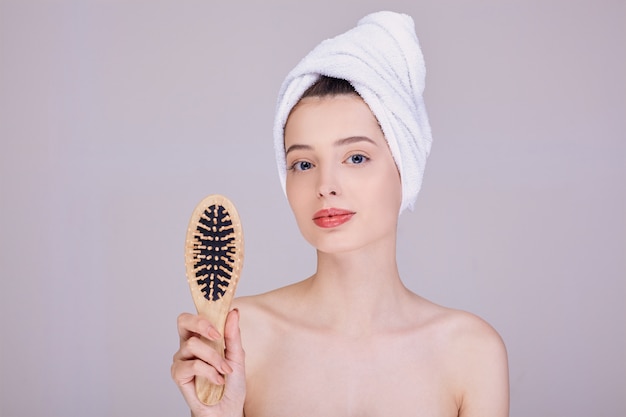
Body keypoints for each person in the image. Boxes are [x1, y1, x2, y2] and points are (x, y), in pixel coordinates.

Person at [171, 11, 509, 417]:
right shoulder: (240, 338)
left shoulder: (470, 353)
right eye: (304, 164)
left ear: (406, 170)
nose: (325, 185)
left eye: (356, 157)